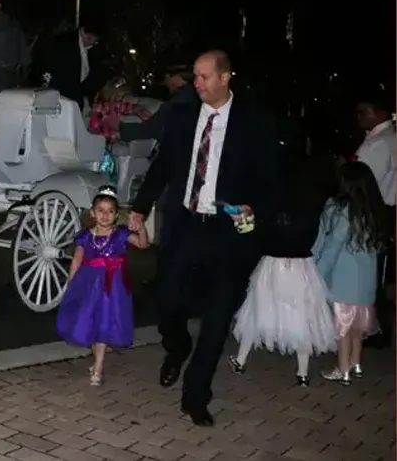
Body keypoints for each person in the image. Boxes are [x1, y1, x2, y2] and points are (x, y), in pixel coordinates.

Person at [127, 49, 279, 427]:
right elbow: (161, 166)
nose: (196, 83)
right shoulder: (182, 117)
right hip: (185, 223)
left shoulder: (254, 121)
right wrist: (138, 208)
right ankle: (176, 346)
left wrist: (253, 208)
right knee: (167, 299)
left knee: (218, 314)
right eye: (194, 76)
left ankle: (196, 394)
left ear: (226, 77)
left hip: (228, 232)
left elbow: (271, 179)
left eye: (204, 77)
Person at [226, 153, 338, 386]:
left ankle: (240, 360)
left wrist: (239, 220)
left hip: (272, 264)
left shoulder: (272, 205)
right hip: (302, 266)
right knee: (302, 316)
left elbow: (251, 233)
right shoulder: (314, 207)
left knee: (257, 311)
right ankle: (303, 373)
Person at [56, 185, 149, 386]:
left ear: (116, 215)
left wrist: (139, 225)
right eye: (101, 210)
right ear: (92, 212)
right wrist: (71, 284)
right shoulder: (85, 236)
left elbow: (143, 244)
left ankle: (98, 367)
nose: (105, 215)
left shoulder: (120, 235)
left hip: (112, 287)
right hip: (89, 284)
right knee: (88, 322)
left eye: (110, 211)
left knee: (104, 322)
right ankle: (96, 357)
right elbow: (77, 260)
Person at [312, 161, 388, 385]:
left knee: (343, 329)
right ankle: (356, 363)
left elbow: (332, 245)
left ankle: (342, 369)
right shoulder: (372, 211)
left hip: (343, 282)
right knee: (357, 329)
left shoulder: (340, 210)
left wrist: (318, 273)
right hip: (365, 285)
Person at [353, 91, 396, 348]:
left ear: (379, 113)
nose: (359, 117)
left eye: (363, 111)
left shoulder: (380, 142)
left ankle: (375, 329)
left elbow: (367, 182)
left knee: (373, 272)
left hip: (376, 210)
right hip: (382, 210)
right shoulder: (382, 138)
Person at [119, 64, 200, 143]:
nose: (166, 82)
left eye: (166, 77)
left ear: (175, 77)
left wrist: (120, 128)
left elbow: (151, 129)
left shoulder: (179, 101)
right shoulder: (194, 96)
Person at [30, 19, 102, 108]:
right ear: (82, 31)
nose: (90, 43)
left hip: (75, 98)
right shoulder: (64, 44)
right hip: (60, 97)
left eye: (95, 41)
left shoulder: (93, 51)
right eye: (89, 38)